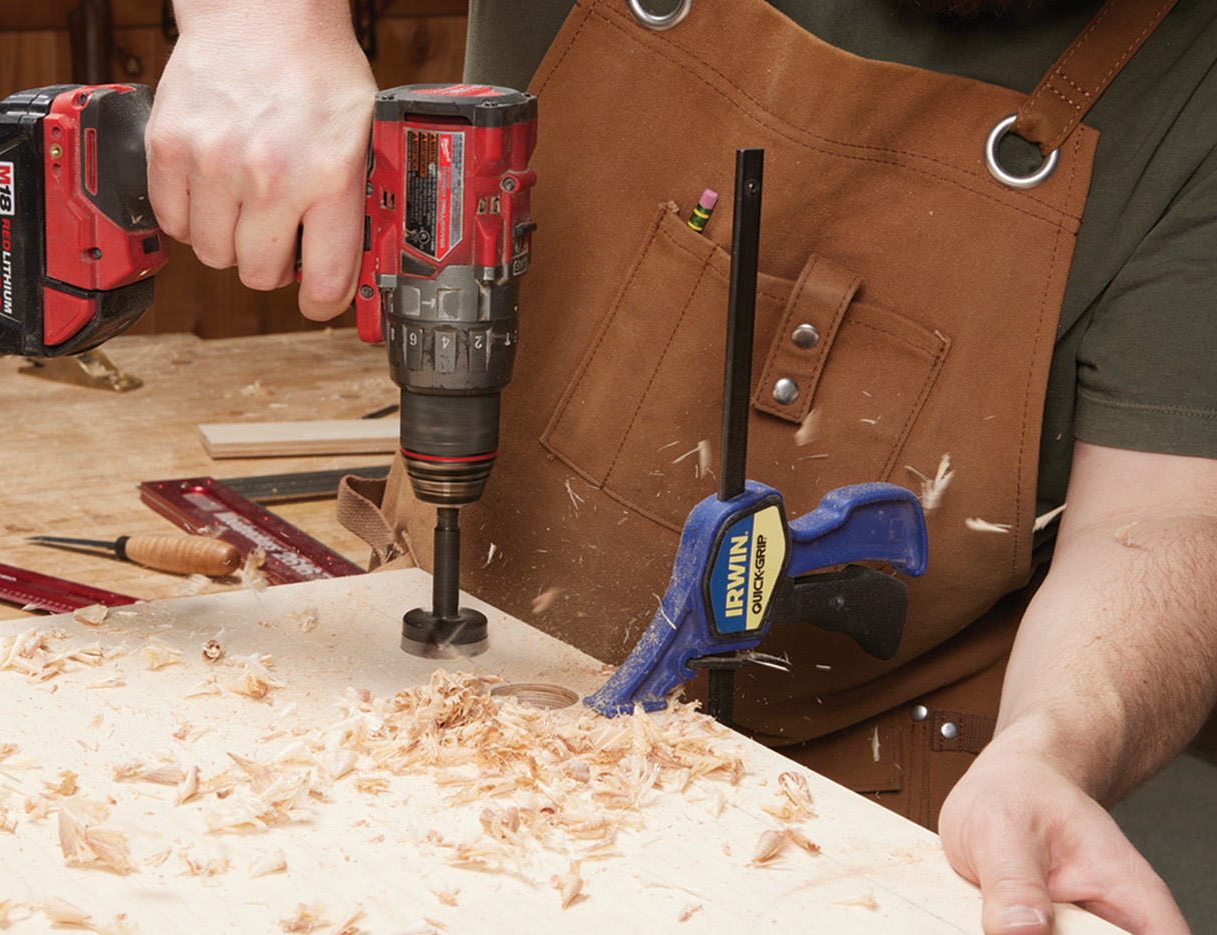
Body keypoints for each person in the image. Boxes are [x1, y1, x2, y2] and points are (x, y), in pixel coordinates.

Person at [145, 2, 1217, 933]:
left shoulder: (1193, 78)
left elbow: (1164, 514)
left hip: (845, 821)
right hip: (426, 703)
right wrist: (258, 28)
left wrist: (1050, 746)